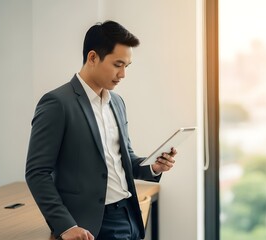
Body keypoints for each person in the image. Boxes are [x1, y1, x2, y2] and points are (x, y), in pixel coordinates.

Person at [25, 20, 176, 240]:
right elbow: (36, 173)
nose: (123, 74)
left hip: (130, 216)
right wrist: (65, 226)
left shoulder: (117, 102)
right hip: (93, 225)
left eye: (127, 66)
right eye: (117, 64)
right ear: (93, 57)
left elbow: (123, 159)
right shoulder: (57, 103)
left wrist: (152, 167)